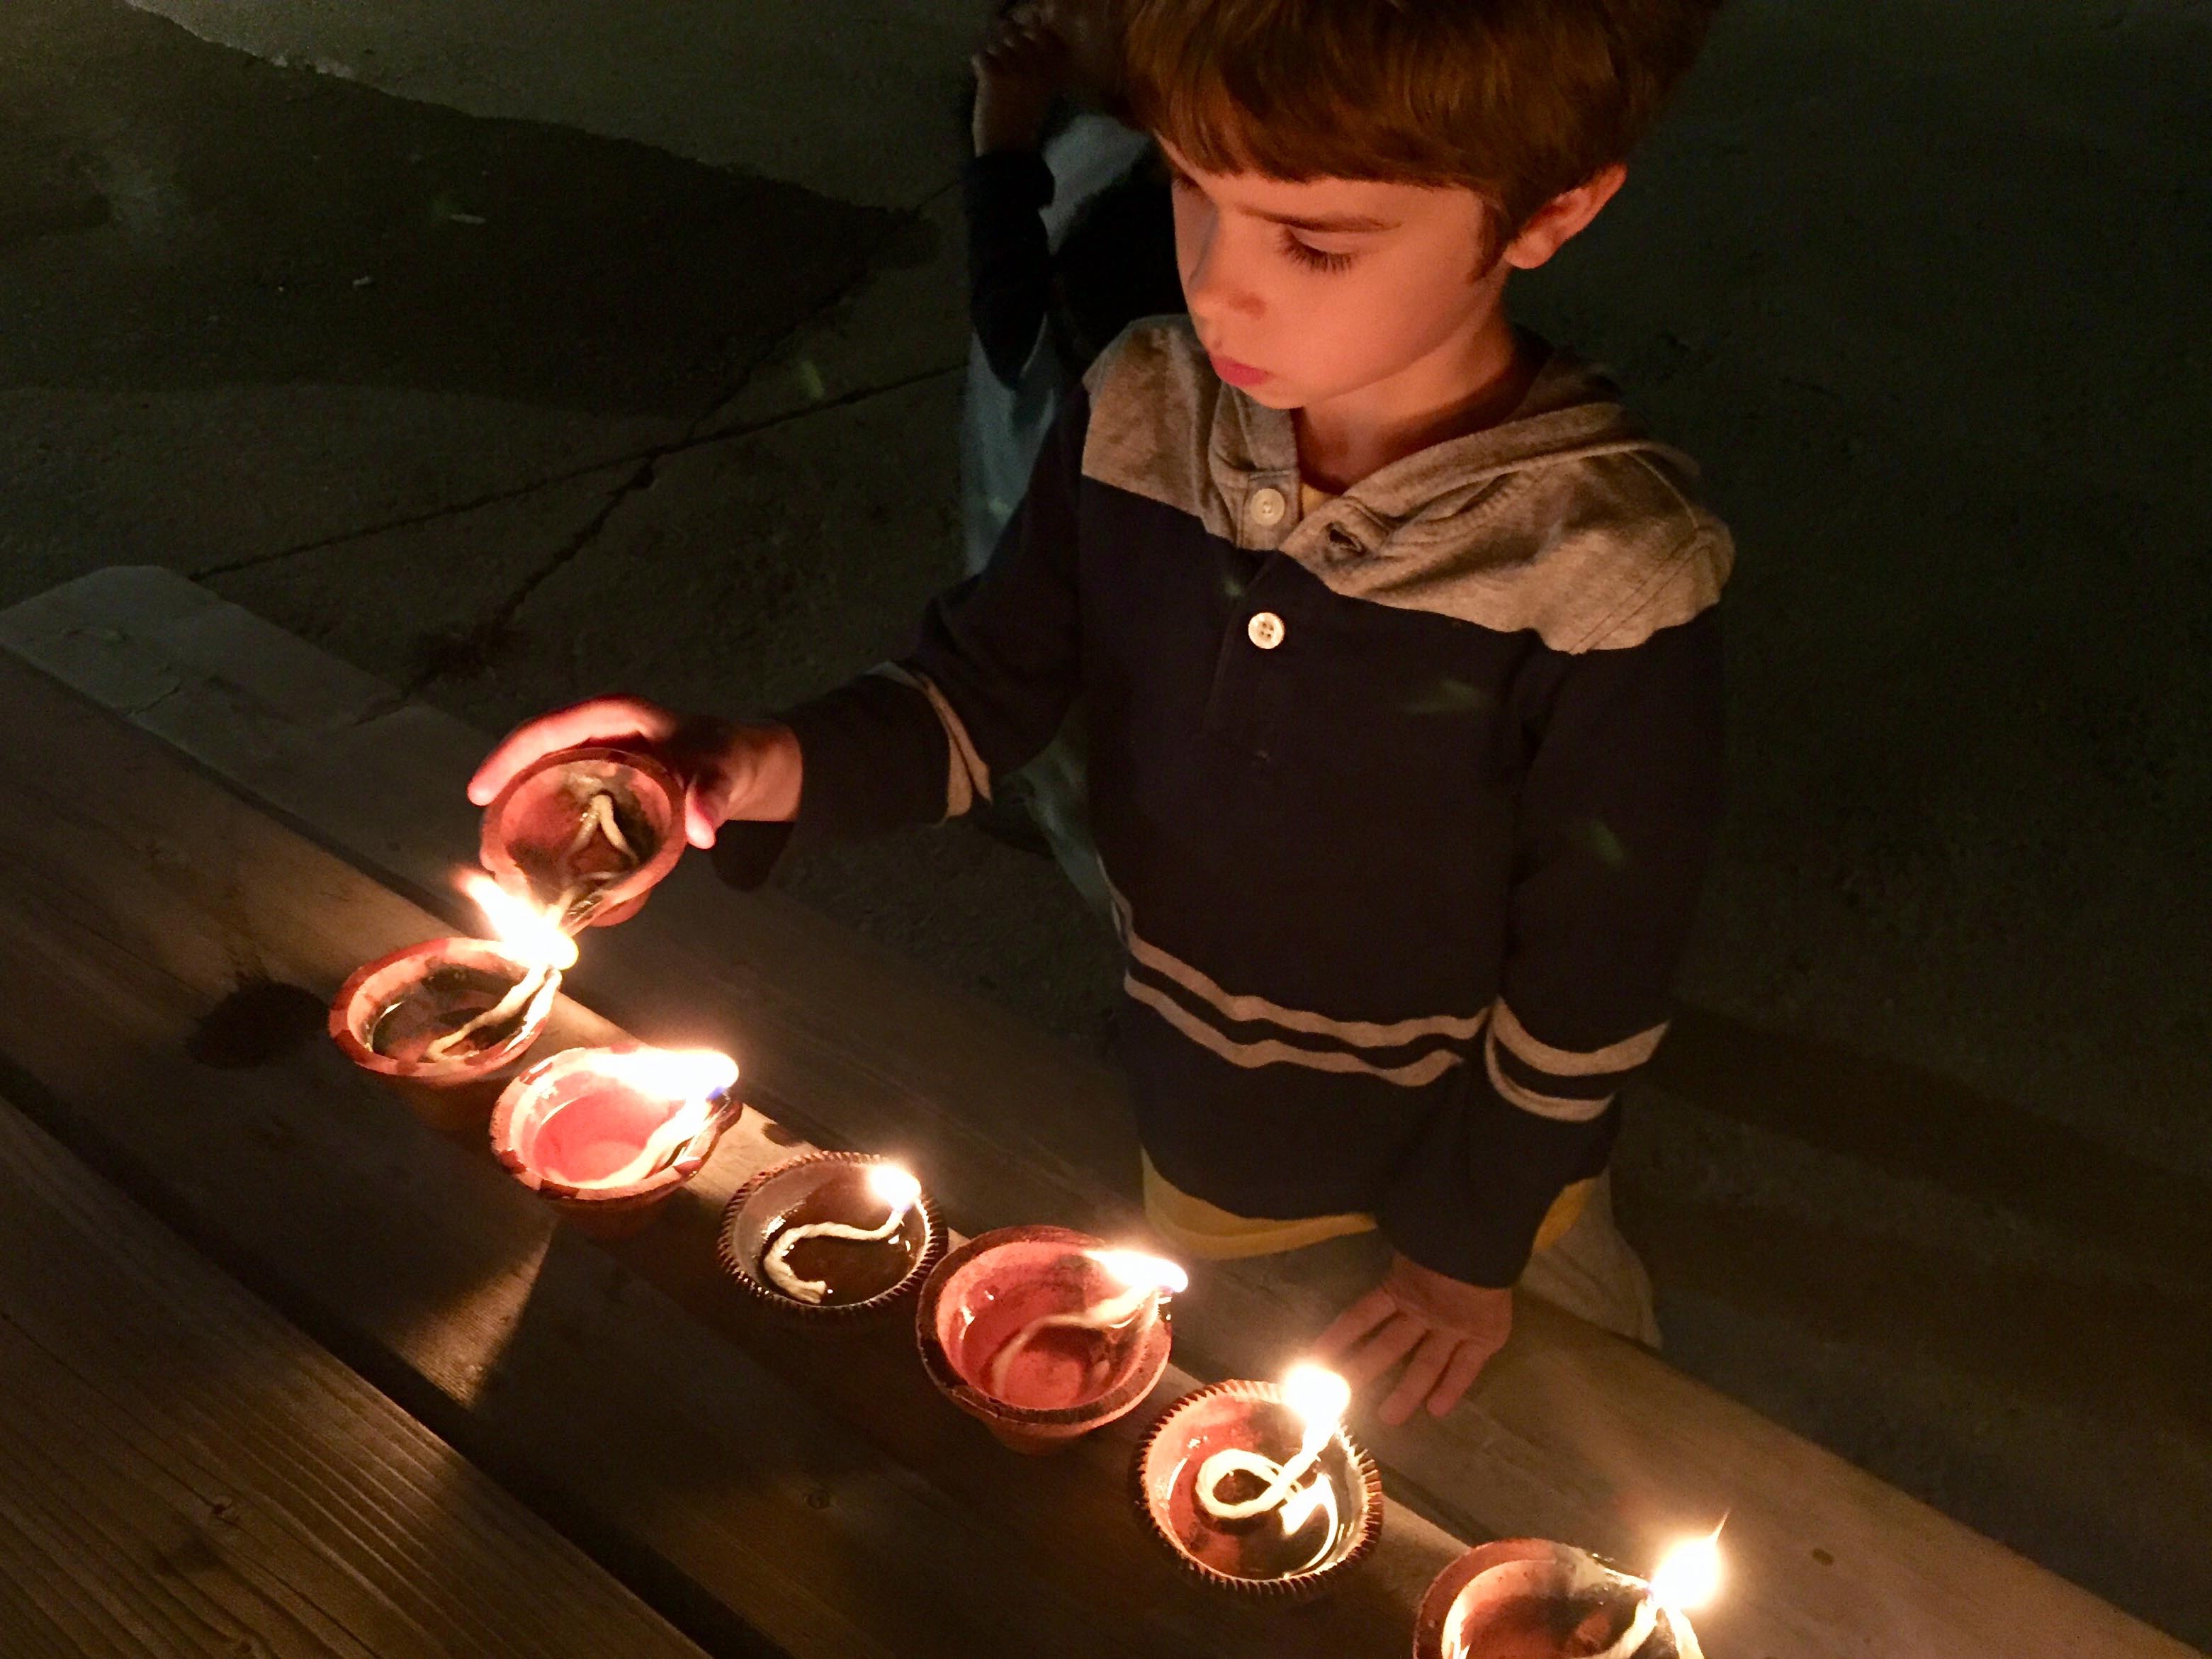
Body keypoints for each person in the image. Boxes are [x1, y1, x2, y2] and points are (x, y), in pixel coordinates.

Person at [470, 0, 1732, 1426]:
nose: (1224, 289)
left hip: (1494, 1183)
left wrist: (1467, 1247)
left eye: (1313, 242)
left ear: (1548, 211)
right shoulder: (1139, 409)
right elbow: (979, 691)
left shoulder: (1601, 577)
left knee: (1562, 1446)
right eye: (1193, 190)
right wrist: (738, 765)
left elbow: (1594, 977)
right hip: (1209, 1125)